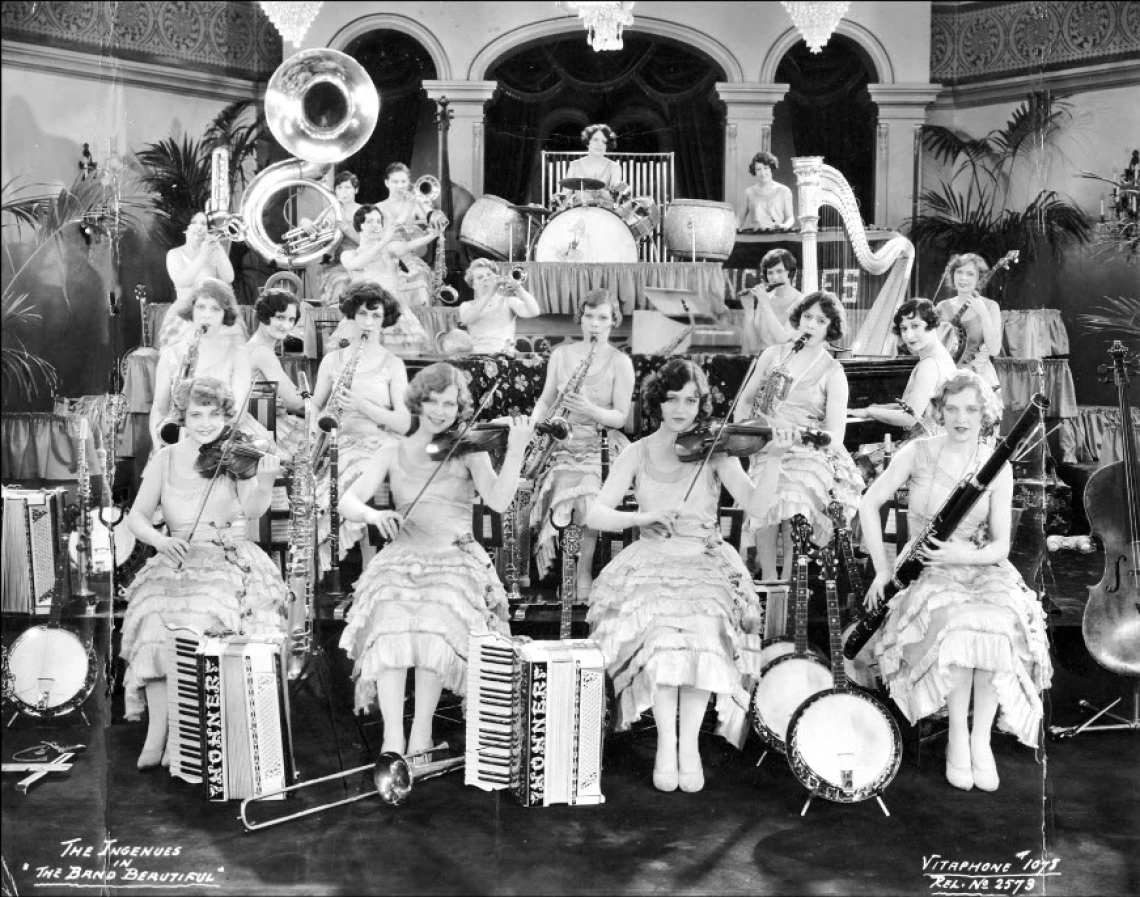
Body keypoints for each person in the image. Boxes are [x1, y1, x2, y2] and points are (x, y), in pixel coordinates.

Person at [587, 359, 796, 792]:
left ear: (701, 404)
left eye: (691, 399)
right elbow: (594, 513)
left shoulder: (716, 450)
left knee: (702, 634)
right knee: (663, 637)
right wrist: (642, 516)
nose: (681, 408)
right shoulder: (637, 450)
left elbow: (756, 507)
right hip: (652, 561)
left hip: (705, 560)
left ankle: (689, 747)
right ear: (656, 402)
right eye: (672, 398)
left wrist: (772, 460)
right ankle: (667, 744)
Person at [860, 371, 1052, 792]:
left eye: (970, 409)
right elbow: (868, 502)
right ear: (940, 411)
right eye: (952, 408)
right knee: (959, 624)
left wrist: (961, 554)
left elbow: (1000, 546)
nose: (961, 418)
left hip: (979, 565)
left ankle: (978, 738)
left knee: (998, 626)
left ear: (984, 413)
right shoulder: (917, 452)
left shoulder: (996, 465)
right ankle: (956, 742)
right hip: (927, 567)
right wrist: (882, 567)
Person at [338, 363, 534, 756]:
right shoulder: (391, 448)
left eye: (449, 403)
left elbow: (497, 501)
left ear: (459, 407)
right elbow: (348, 500)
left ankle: (421, 734)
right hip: (402, 558)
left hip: (453, 558)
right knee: (388, 619)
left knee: (434, 622)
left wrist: (515, 451)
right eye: (432, 401)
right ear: (418, 402)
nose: (441, 411)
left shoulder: (469, 449)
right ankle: (393, 738)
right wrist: (374, 515)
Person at [120, 376, 287, 770]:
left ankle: (183, 734)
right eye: (197, 414)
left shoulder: (235, 458)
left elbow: (254, 510)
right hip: (176, 555)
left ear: (227, 418)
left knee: (195, 621)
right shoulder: (164, 459)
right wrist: (160, 543)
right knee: (153, 623)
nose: (206, 423)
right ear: (183, 416)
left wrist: (264, 479)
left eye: (215, 415)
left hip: (227, 557)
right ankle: (157, 730)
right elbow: (137, 518)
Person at [734, 290, 864, 581]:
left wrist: (800, 434)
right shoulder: (773, 355)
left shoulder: (834, 372)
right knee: (765, 494)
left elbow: (836, 436)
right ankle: (768, 578)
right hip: (766, 443)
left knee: (793, 493)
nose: (811, 324)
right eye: (807, 317)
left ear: (831, 328)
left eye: (820, 320)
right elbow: (745, 400)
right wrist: (744, 434)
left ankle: (792, 579)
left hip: (809, 451)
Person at [529, 289, 635, 598]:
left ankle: (582, 570)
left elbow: (620, 417)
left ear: (613, 321)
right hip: (562, 443)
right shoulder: (561, 355)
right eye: (589, 316)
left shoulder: (620, 362)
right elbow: (547, 399)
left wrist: (590, 409)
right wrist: (540, 422)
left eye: (602, 318)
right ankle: (561, 568)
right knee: (562, 481)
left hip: (601, 444)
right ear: (581, 318)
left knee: (589, 492)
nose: (594, 324)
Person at [312, 282, 411, 570]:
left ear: (384, 321)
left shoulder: (393, 364)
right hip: (339, 440)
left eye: (375, 316)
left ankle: (371, 565)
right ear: (352, 317)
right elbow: (316, 405)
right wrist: (319, 421)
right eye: (362, 314)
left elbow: (404, 423)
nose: (368, 322)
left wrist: (363, 405)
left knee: (360, 467)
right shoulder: (333, 360)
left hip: (378, 442)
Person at [150, 279, 254, 450]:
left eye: (215, 309)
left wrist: (202, 429)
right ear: (191, 310)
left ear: (224, 314)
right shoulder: (170, 355)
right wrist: (159, 446)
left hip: (225, 439)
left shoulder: (238, 353)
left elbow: (239, 412)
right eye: (201, 307)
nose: (207, 315)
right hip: (179, 439)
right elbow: (159, 409)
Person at [339, 204, 441, 356]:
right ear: (359, 226)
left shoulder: (390, 248)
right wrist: (383, 241)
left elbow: (407, 246)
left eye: (378, 221)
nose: (376, 225)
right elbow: (358, 263)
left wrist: (431, 236)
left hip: (392, 309)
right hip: (364, 311)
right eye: (370, 221)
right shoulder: (349, 254)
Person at [850, 298, 957, 436]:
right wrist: (878, 408)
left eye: (915, 326)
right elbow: (915, 406)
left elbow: (910, 418)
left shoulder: (929, 365)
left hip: (927, 444)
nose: (908, 335)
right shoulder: (942, 356)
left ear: (932, 324)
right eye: (903, 328)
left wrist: (868, 412)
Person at [159, 211, 242, 348]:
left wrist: (218, 248)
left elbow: (229, 277)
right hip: (184, 316)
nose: (199, 227)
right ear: (185, 228)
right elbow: (182, 281)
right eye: (194, 223)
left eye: (203, 224)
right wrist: (203, 255)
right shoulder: (174, 254)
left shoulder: (213, 252)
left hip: (213, 313)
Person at [935, 253, 1004, 404]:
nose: (963, 278)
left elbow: (994, 350)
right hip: (947, 378)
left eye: (970, 274)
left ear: (980, 279)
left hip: (980, 377)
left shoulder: (991, 306)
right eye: (959, 272)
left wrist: (984, 314)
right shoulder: (942, 307)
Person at [246, 288, 305, 456]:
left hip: (265, 419)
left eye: (291, 319)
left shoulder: (257, 346)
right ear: (265, 315)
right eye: (280, 317)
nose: (286, 325)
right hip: (264, 428)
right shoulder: (262, 352)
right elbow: (295, 402)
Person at [457, 259, 541, 355]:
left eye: (489, 275)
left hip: (506, 356)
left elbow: (534, 311)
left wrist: (518, 288)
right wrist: (490, 292)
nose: (486, 278)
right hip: (478, 357)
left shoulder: (509, 301)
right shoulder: (466, 305)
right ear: (473, 285)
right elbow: (466, 319)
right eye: (480, 277)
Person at [314, 171, 365, 308]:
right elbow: (315, 228)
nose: (343, 192)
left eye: (347, 187)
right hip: (340, 264)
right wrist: (304, 223)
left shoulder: (366, 212)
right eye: (339, 188)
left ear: (356, 190)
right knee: (340, 286)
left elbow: (371, 243)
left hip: (365, 263)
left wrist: (347, 230)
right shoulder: (332, 211)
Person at [740, 248, 802, 354]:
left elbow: (783, 340)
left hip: (786, 363)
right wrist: (749, 310)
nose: (775, 277)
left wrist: (766, 305)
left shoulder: (801, 301)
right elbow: (753, 346)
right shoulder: (764, 300)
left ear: (790, 272)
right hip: (763, 361)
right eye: (770, 273)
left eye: (779, 271)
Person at [561, 124, 624, 207]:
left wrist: (601, 192)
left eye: (604, 142)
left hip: (605, 214)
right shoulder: (574, 165)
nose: (599, 144)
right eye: (595, 140)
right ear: (588, 142)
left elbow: (614, 198)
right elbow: (566, 194)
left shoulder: (614, 167)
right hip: (580, 213)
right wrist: (559, 199)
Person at [737, 151, 796, 232]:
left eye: (766, 168)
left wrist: (783, 226)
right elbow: (739, 219)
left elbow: (790, 217)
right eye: (758, 169)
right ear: (754, 171)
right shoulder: (749, 192)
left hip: (777, 238)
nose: (763, 173)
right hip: (754, 238)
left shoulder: (784, 191)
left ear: (771, 168)